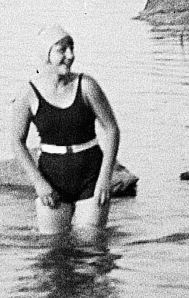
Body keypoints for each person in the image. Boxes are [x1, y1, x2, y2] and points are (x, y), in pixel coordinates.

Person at [8, 25, 121, 236]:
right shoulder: (28, 93)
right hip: (52, 178)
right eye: (62, 50)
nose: (70, 56)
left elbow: (112, 129)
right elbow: (16, 141)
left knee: (91, 245)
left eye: (72, 48)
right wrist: (39, 183)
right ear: (47, 54)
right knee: (53, 250)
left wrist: (105, 178)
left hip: (90, 176)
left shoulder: (87, 86)